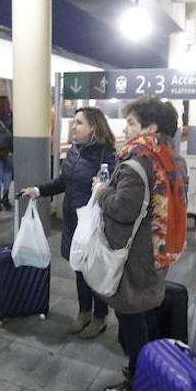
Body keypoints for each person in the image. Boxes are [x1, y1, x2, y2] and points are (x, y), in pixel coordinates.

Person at [95, 97, 188, 391]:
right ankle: (146, 370)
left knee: (132, 317)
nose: (125, 128)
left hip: (135, 255)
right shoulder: (172, 158)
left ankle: (138, 382)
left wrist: (102, 193)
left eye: (132, 123)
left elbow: (123, 209)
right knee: (146, 311)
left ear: (150, 127)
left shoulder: (138, 160)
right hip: (160, 248)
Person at [20, 107, 118, 339]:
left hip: (94, 223)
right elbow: (63, 181)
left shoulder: (107, 155)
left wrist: (105, 187)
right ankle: (84, 312)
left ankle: (99, 317)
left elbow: (115, 190)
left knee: (93, 270)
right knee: (79, 269)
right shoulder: (74, 151)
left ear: (93, 127)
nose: (73, 127)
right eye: (73, 123)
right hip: (73, 221)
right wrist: (38, 190)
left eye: (79, 123)